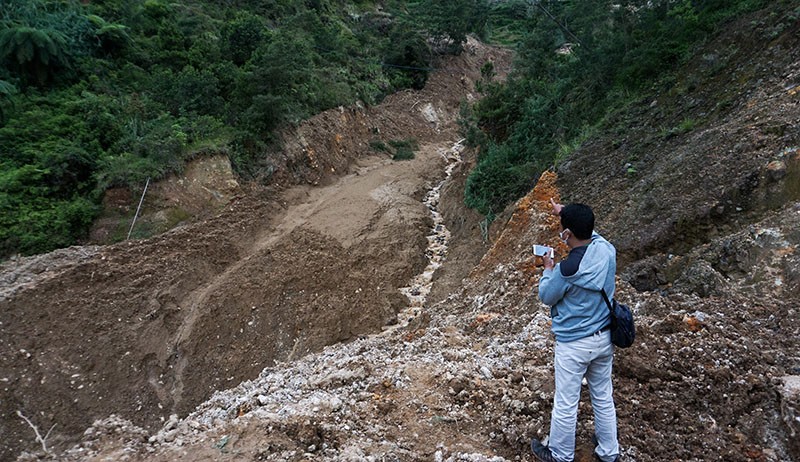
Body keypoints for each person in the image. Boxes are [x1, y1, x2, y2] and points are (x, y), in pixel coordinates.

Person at [531, 200, 621, 462]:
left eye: (564, 229)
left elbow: (546, 295)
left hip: (573, 344)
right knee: (603, 396)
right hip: (604, 338)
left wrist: (548, 269)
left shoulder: (566, 270)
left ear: (567, 234)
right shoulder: (606, 250)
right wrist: (566, 214)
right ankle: (608, 451)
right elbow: (594, 235)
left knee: (567, 402)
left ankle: (560, 455)